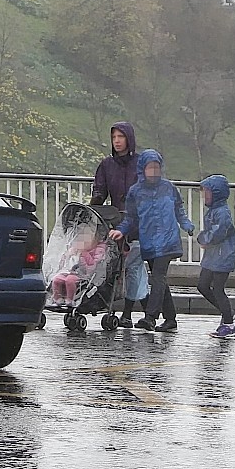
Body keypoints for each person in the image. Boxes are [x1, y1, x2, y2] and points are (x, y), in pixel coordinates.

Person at [109, 148, 194, 332]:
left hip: (168, 240)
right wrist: (120, 231)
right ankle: (170, 319)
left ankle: (150, 317)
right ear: (142, 169)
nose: (154, 172)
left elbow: (179, 209)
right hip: (149, 243)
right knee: (159, 279)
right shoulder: (135, 192)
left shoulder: (168, 187)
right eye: (150, 168)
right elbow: (131, 218)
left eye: (157, 167)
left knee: (158, 277)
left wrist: (186, 225)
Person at [89, 122, 148, 322]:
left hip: (139, 221)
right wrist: (92, 212)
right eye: (114, 137)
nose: (117, 141)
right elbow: (99, 192)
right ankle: (138, 312)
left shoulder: (140, 164)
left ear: (129, 139)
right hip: (117, 220)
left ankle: (132, 312)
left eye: (120, 137)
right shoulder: (107, 165)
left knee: (133, 266)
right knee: (121, 265)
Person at [196, 174, 235, 339]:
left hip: (222, 255)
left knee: (218, 289)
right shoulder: (214, 211)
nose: (204, 197)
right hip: (213, 256)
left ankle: (229, 324)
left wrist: (205, 239)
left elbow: (218, 232)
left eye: (207, 193)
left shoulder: (222, 213)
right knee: (202, 285)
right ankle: (228, 312)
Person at [48, 229, 107, 308]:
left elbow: (92, 267)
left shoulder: (91, 253)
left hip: (83, 274)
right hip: (69, 271)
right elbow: (63, 262)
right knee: (57, 280)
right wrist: (67, 256)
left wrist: (83, 256)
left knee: (70, 281)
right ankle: (57, 298)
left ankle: (70, 299)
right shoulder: (73, 249)